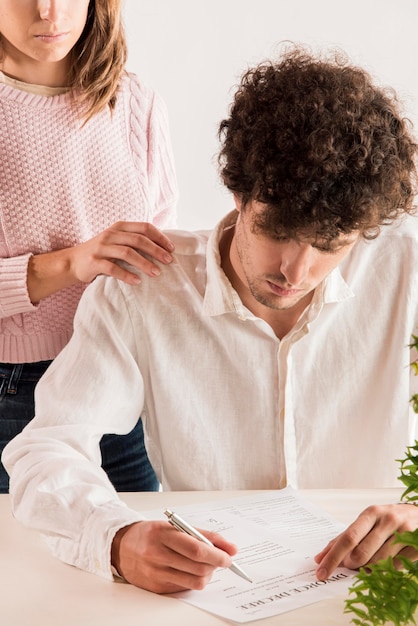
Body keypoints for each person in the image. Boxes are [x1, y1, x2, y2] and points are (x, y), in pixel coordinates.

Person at [3, 46, 418, 595]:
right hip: (216, 597)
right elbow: (47, 447)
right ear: (239, 190)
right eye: (277, 232)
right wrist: (116, 538)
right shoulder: (143, 289)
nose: (295, 270)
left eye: (329, 246)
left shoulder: (406, 275)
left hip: (380, 593)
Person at [0, 0, 179, 493]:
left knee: (139, 547)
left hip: (120, 377)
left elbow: (160, 253)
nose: (47, 10)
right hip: (17, 389)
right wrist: (72, 263)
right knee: (27, 559)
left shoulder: (135, 101)